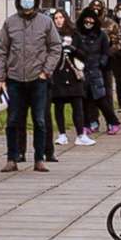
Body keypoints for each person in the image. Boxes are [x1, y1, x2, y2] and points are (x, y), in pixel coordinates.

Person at [0, 0, 59, 172]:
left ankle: (39, 158)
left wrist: (46, 71)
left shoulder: (46, 22)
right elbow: (1, 51)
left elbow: (55, 48)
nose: (27, 2)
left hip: (38, 79)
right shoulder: (10, 23)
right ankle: (12, 157)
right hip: (15, 79)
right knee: (13, 120)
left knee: (39, 120)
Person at [72, 4, 114, 141]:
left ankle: (112, 122)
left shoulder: (101, 35)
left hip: (96, 69)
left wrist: (101, 63)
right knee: (84, 99)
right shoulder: (78, 34)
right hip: (82, 69)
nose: (89, 24)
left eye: (91, 21)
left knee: (101, 99)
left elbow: (106, 51)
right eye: (86, 21)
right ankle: (88, 124)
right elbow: (75, 50)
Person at [48, 8, 81, 146]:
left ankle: (81, 133)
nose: (58, 20)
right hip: (58, 74)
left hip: (73, 74)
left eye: (61, 17)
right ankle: (62, 134)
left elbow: (83, 53)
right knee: (59, 105)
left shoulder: (74, 34)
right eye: (56, 18)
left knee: (77, 105)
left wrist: (73, 49)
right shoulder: (51, 35)